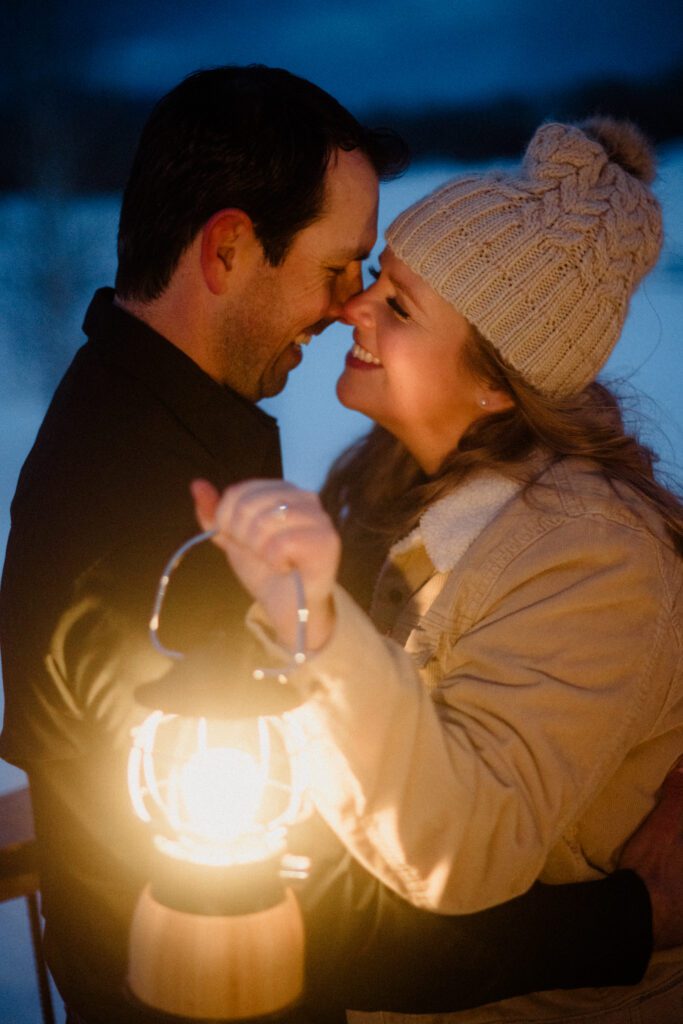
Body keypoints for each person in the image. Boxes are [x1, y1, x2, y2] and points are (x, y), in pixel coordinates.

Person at [0, 63, 676, 1022]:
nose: (345, 306)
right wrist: (637, 917)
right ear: (229, 250)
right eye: (340, 269)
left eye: (385, 291)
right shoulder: (149, 526)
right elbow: (299, 906)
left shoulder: (170, 429)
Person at [194, 117, 683, 1022]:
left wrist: (321, 630)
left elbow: (461, 848)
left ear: (499, 381)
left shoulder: (591, 556)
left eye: (400, 305)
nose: (354, 307)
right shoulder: (381, 488)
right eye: (377, 279)